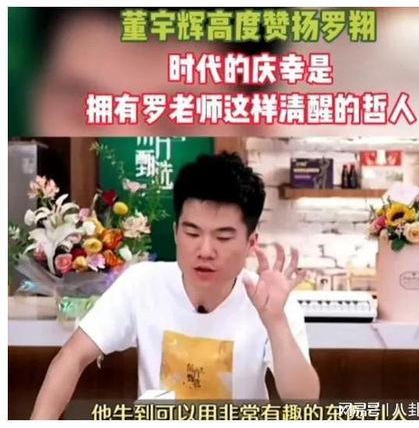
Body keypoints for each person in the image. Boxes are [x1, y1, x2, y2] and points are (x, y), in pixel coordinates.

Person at [31, 152, 320, 419]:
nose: (205, 251)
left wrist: (275, 322)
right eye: (192, 233)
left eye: (223, 237)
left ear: (251, 243)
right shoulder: (142, 283)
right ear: (175, 232)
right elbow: (72, 357)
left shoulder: (271, 301)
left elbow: (304, 402)